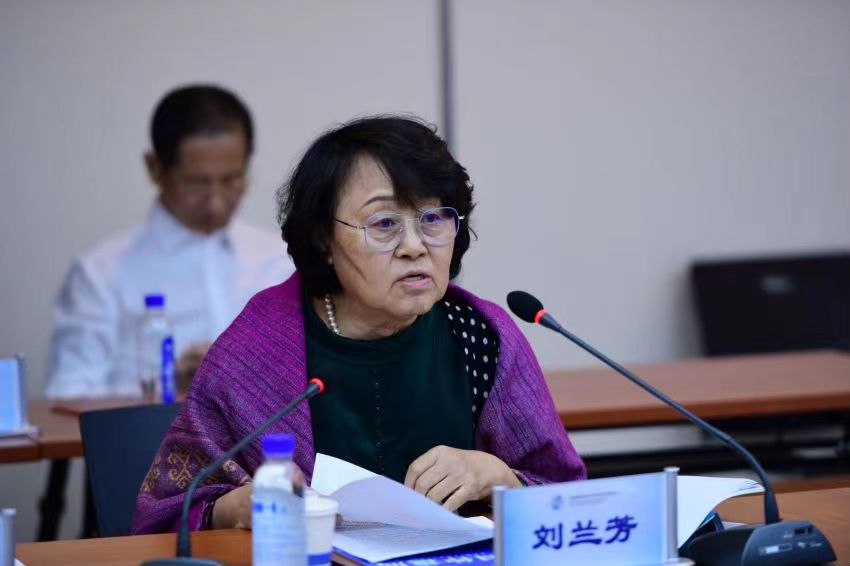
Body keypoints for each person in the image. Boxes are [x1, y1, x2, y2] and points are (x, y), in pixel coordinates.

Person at [132, 116, 585, 534]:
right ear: (323, 240)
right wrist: (230, 509)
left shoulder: (481, 336)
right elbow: (167, 514)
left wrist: (500, 477)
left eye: (433, 219)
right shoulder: (255, 353)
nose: (414, 246)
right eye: (384, 223)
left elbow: (566, 497)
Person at [44, 85, 294, 399]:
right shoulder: (99, 273)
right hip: (150, 432)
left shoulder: (281, 260)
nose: (216, 201)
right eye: (197, 183)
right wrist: (166, 385)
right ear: (155, 168)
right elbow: (67, 396)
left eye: (232, 180)